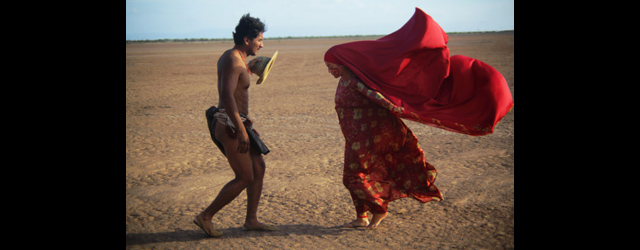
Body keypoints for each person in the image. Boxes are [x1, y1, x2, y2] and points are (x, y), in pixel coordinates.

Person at [324, 8, 513, 229]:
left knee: (353, 177)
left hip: (370, 136)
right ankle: (361, 217)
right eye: (328, 68)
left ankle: (379, 210)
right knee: (359, 174)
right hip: (354, 138)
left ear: (342, 63)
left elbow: (376, 97)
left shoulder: (356, 80)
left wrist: (399, 109)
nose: (330, 71)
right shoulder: (344, 80)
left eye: (331, 67)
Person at [194, 13, 275, 237]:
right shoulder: (232, 59)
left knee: (258, 167)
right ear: (247, 39)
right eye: (259, 39)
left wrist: (248, 69)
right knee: (244, 177)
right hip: (230, 124)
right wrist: (241, 130)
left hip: (237, 121)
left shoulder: (237, 59)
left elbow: (236, 82)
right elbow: (227, 96)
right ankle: (205, 216)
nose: (262, 44)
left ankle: (251, 220)